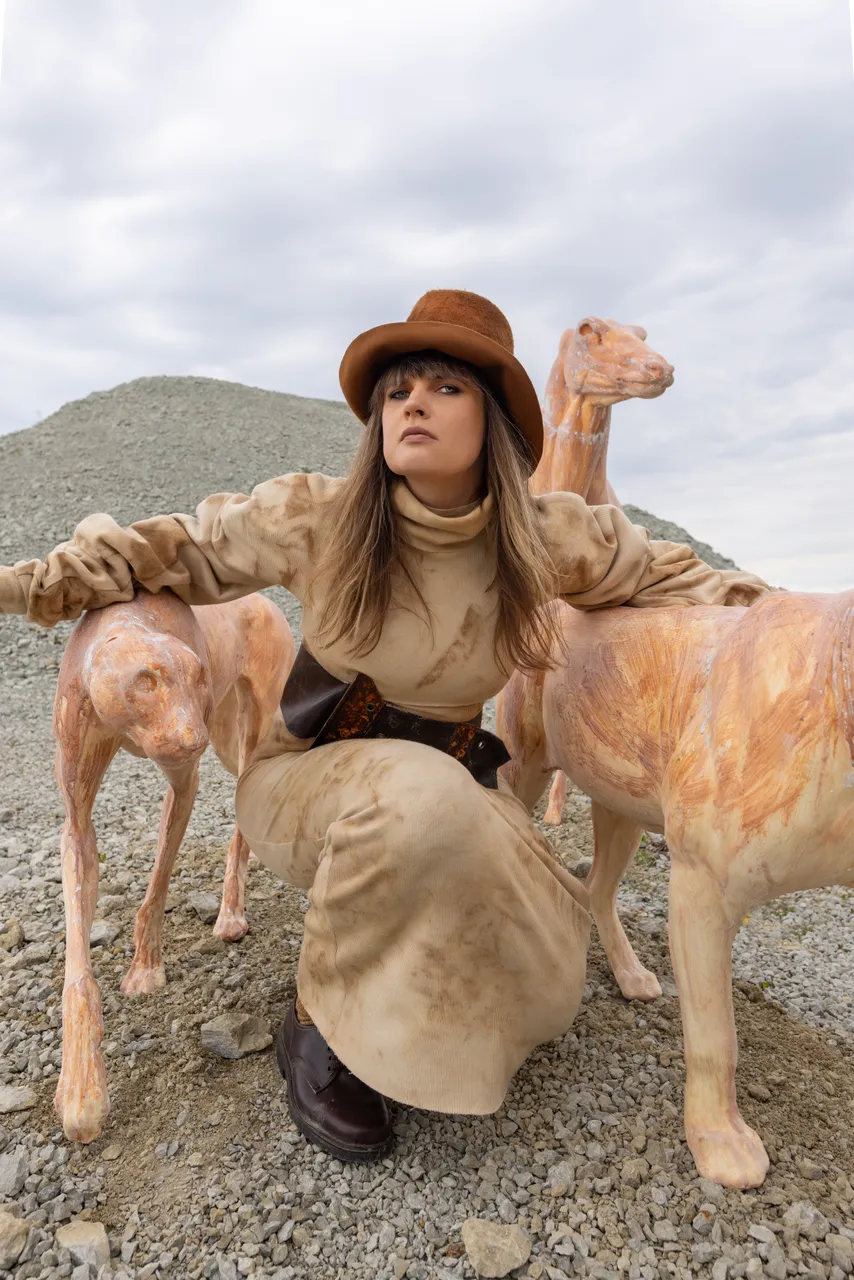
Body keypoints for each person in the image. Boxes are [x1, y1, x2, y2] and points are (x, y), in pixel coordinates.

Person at [0, 289, 770, 1163]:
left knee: (554, 973)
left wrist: (791, 621)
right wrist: (24, 586)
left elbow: (668, 576)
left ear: (494, 418)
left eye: (445, 388)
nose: (413, 404)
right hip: (308, 778)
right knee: (420, 799)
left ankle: (418, 994)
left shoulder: (542, 535)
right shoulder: (319, 515)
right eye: (399, 390)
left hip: (450, 785)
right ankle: (318, 1023)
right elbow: (166, 551)